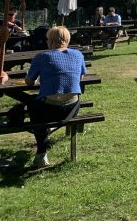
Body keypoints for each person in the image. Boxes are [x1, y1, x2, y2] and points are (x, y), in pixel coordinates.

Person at [7, 26, 87, 167]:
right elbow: (80, 78)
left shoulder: (42, 57)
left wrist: (40, 79)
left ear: (50, 40)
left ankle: (41, 154)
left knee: (34, 106)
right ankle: (42, 151)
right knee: (36, 102)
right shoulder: (78, 55)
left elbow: (29, 82)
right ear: (67, 39)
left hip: (49, 111)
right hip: (72, 108)